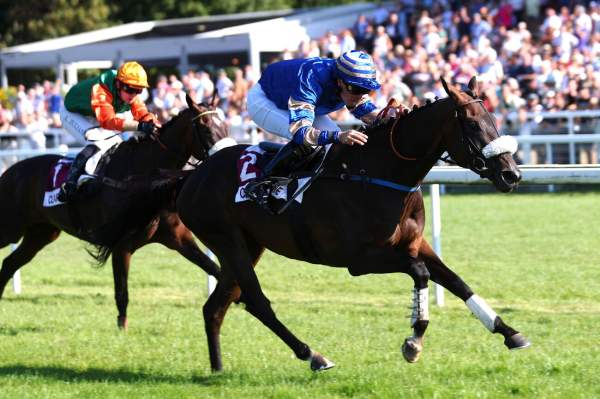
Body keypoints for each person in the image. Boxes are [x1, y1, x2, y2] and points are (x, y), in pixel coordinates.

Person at [245, 50, 395, 203]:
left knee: (335, 147)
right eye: (356, 89)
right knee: (313, 143)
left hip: (301, 102)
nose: (360, 95)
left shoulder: (347, 83)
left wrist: (395, 116)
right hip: (265, 101)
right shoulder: (312, 78)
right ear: (340, 82)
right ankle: (262, 183)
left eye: (365, 90)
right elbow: (301, 133)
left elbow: (367, 113)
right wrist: (338, 136)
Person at [58, 61, 160, 201]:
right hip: (73, 112)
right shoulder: (100, 89)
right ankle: (68, 185)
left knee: (117, 144)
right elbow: (108, 121)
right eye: (131, 89)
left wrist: (152, 122)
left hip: (94, 114)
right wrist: (139, 126)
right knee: (96, 139)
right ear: (118, 84)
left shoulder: (131, 94)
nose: (134, 95)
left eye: (139, 90)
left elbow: (142, 113)